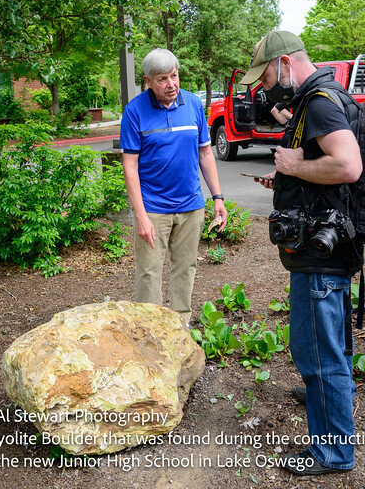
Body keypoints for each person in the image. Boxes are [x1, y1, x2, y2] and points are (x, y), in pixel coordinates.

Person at [241, 30, 363, 476]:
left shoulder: (318, 102)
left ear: (287, 64)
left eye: (268, 75)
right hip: (329, 241)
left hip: (321, 254)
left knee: (316, 350)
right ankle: (331, 401)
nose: (265, 87)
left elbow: (348, 165)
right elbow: (330, 171)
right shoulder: (327, 96)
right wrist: (291, 182)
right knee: (333, 345)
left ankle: (332, 453)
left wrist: (292, 165)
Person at [120, 48, 227, 324]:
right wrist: (141, 216)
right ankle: (151, 331)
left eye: (175, 76)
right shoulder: (134, 112)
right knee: (148, 272)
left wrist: (217, 197)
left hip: (191, 206)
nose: (171, 85)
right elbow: (130, 166)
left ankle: (180, 328)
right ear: (148, 81)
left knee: (185, 268)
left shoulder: (192, 104)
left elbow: (205, 153)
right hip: (153, 209)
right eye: (163, 79)